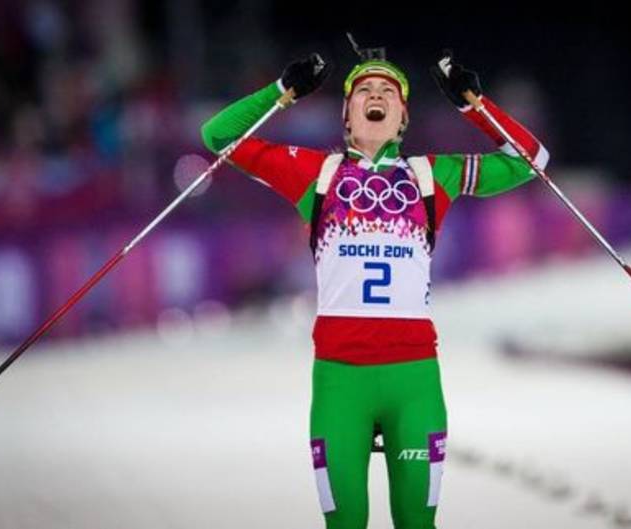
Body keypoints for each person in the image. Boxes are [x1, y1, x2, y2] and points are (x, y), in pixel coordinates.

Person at [200, 40, 549, 529]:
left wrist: (473, 105)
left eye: (389, 90)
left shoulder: (432, 175)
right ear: (346, 115)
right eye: (364, 90)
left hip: (413, 382)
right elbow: (217, 136)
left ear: (403, 118)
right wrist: (283, 91)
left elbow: (531, 160)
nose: (377, 95)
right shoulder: (315, 173)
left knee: (416, 523)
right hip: (341, 382)